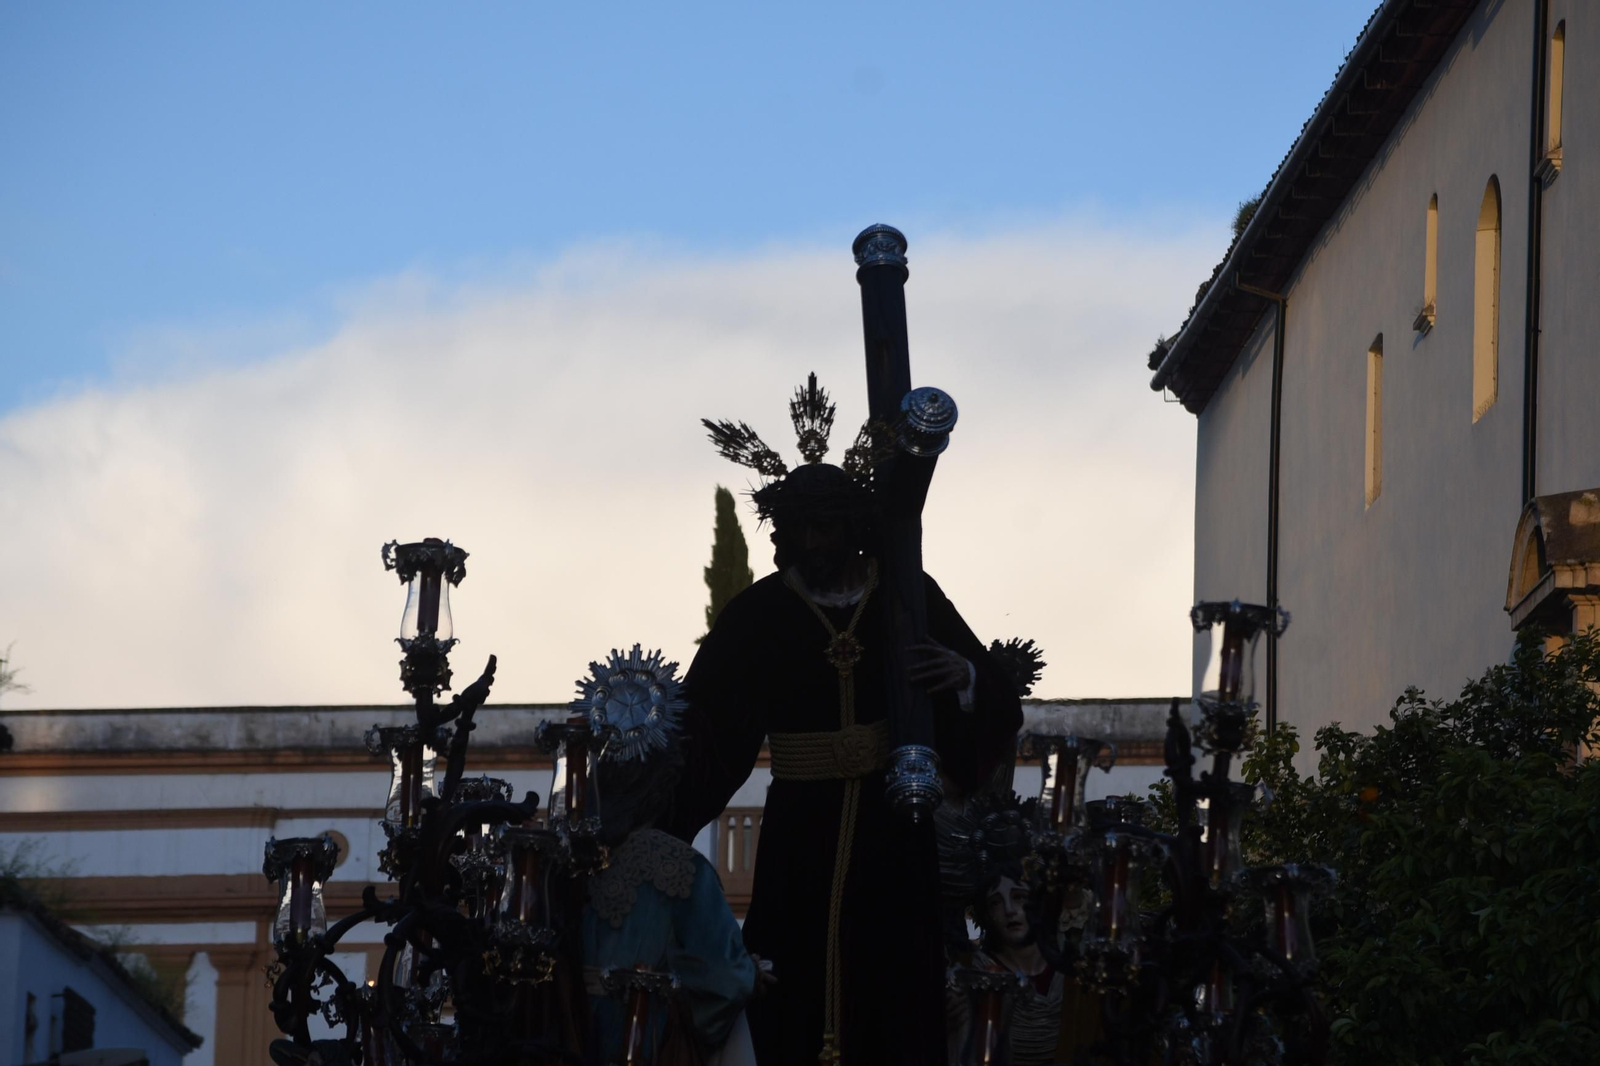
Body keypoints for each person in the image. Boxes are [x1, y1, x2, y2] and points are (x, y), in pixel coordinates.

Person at [666, 376, 1023, 1064]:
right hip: (800, 825)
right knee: (793, 972)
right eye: (799, 528)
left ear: (853, 526)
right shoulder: (759, 613)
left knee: (891, 975)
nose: (812, 541)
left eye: (825, 526)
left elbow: (991, 690)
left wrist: (966, 679)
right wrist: (650, 797)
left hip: (893, 825)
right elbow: (704, 723)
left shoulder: (906, 595)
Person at [568, 647, 759, 1064]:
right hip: (646, 1046)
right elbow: (727, 981)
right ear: (667, 778)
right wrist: (751, 972)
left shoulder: (562, 858)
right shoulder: (682, 870)